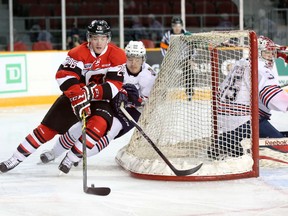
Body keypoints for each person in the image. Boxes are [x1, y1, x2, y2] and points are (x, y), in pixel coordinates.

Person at [0, 19, 127, 173]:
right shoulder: (78, 53)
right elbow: (64, 76)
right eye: (95, 38)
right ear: (89, 38)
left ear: (108, 38)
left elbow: (115, 85)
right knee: (46, 130)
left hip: (99, 99)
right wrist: (78, 97)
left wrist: (90, 93)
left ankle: (71, 159)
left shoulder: (117, 54)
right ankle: (15, 158)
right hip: (74, 97)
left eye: (102, 38)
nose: (99, 42)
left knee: (100, 124)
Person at [39, 41, 157, 173]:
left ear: (143, 59)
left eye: (137, 59)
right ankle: (53, 153)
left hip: (131, 111)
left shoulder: (149, 76)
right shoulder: (117, 67)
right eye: (130, 58)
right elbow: (105, 86)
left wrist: (136, 99)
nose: (133, 63)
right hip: (110, 103)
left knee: (111, 131)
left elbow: (149, 102)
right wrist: (119, 93)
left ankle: (76, 156)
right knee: (81, 127)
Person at [208, 35, 288, 159]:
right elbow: (272, 97)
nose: (271, 56)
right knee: (284, 147)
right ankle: (230, 142)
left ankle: (228, 142)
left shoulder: (240, 63)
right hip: (245, 121)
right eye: (267, 53)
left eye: (272, 53)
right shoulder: (260, 68)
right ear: (258, 53)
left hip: (223, 120)